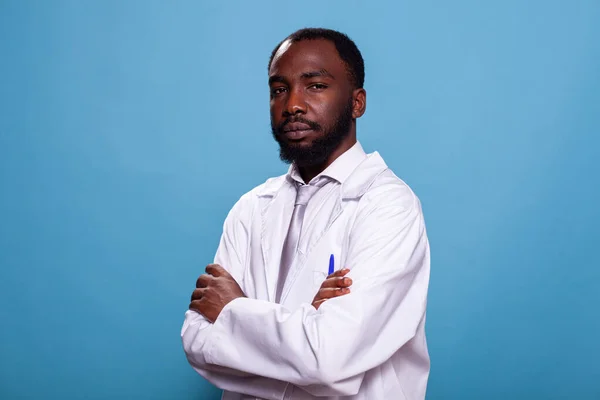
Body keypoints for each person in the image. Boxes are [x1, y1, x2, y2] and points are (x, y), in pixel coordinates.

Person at [181, 28, 431, 400]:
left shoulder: (388, 207)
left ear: (357, 102)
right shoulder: (251, 208)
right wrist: (305, 325)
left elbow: (329, 357)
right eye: (279, 89)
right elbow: (198, 343)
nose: (292, 104)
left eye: (315, 86)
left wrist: (233, 311)